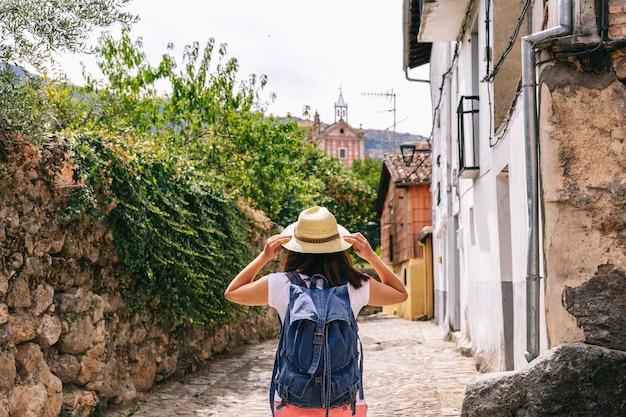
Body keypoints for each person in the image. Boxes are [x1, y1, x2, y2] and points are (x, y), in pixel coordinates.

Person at [224, 206, 408, 417]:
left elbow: (233, 292)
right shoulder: (356, 286)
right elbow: (399, 293)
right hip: (345, 401)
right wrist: (371, 257)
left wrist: (264, 256)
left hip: (292, 400)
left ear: (295, 248)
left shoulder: (281, 285)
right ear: (338, 246)